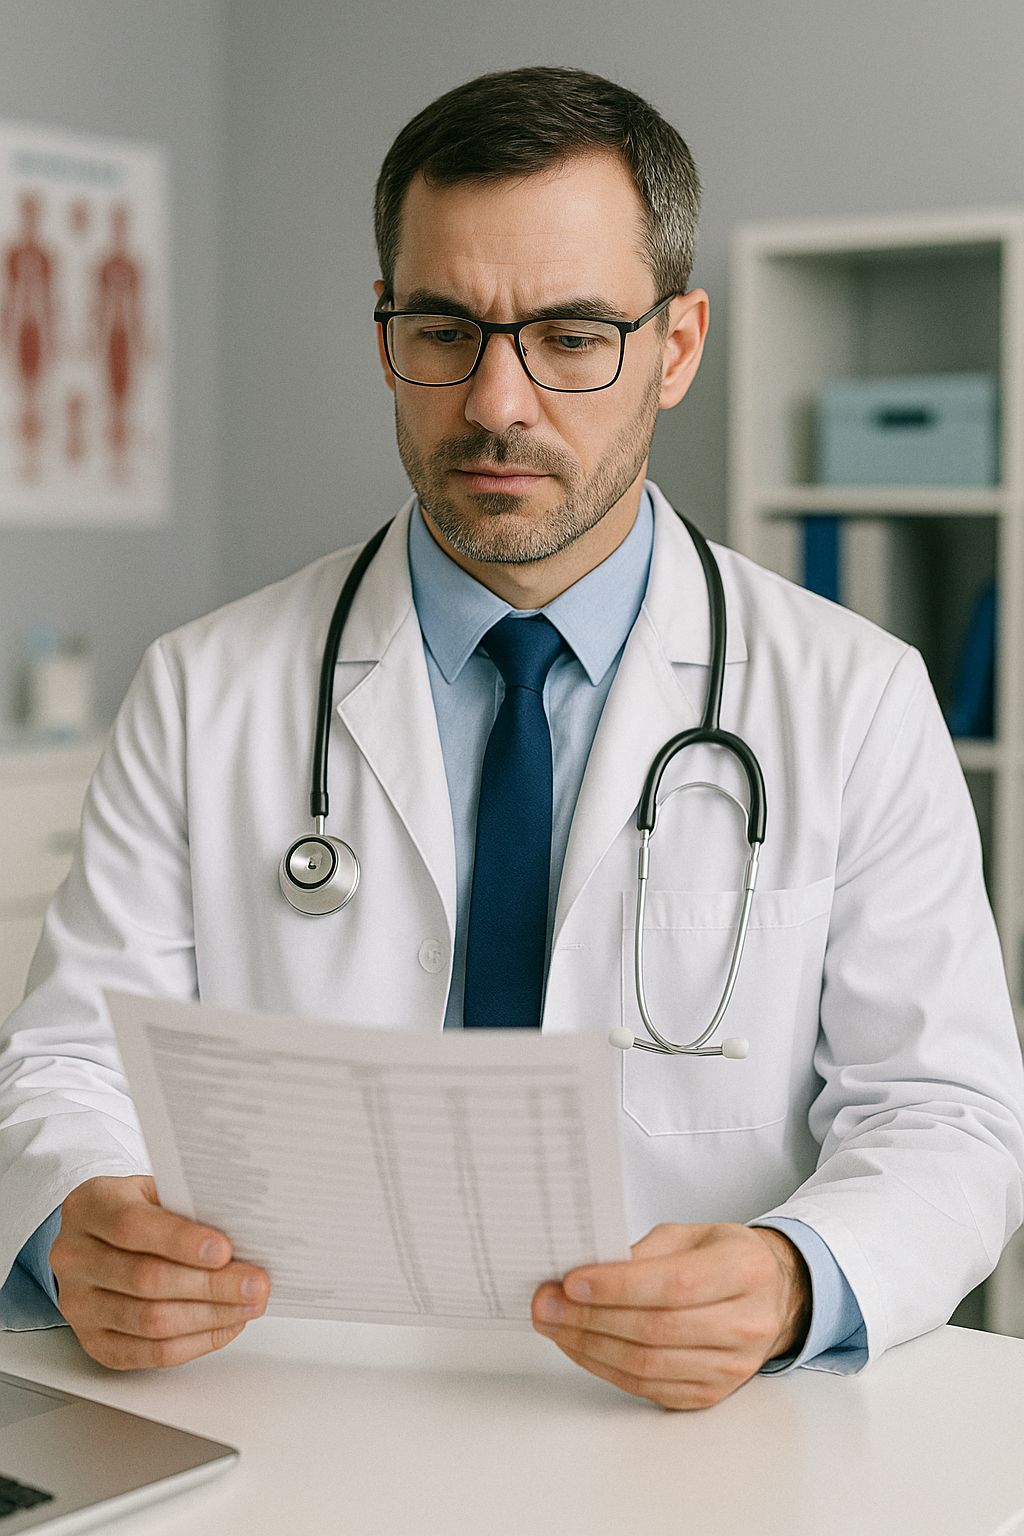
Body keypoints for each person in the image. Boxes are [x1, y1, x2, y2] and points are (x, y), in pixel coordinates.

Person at [1, 67, 1022, 1412]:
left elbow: (945, 1115)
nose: (497, 401)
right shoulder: (204, 688)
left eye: (572, 335)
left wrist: (796, 1276)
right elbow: (70, 1060)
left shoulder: (856, 700)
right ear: (386, 333)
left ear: (677, 345)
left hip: (687, 1435)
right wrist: (75, 1222)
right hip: (289, 1400)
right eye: (445, 328)